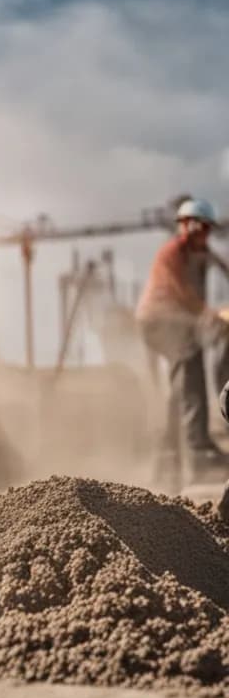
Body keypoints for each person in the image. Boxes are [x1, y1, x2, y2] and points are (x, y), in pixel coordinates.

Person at [136, 197, 229, 484]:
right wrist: (215, 315)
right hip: (158, 320)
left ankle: (175, 455)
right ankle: (198, 451)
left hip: (178, 322)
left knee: (187, 374)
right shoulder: (172, 253)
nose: (203, 234)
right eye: (198, 228)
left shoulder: (200, 253)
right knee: (190, 364)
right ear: (185, 226)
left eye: (206, 229)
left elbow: (222, 266)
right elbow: (184, 295)